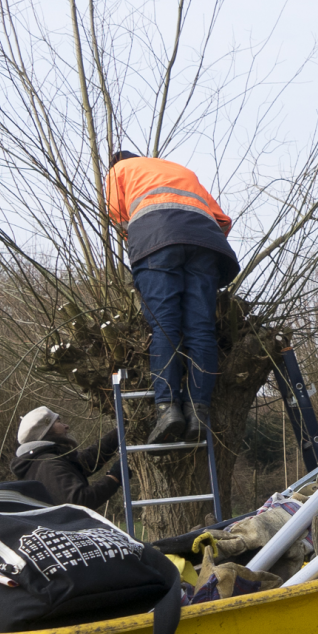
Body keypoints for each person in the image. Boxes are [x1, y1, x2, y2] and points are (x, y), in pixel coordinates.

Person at [105, 151, 239, 446]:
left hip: (157, 238)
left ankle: (168, 411)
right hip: (205, 242)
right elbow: (222, 221)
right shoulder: (181, 170)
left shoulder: (119, 170)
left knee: (165, 326)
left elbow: (118, 216)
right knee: (201, 328)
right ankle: (198, 411)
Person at [11, 406, 122, 508]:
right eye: (59, 422)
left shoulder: (44, 459)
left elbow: (84, 463)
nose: (66, 426)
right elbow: (80, 501)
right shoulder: (48, 465)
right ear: (46, 432)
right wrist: (114, 477)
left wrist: (119, 433)